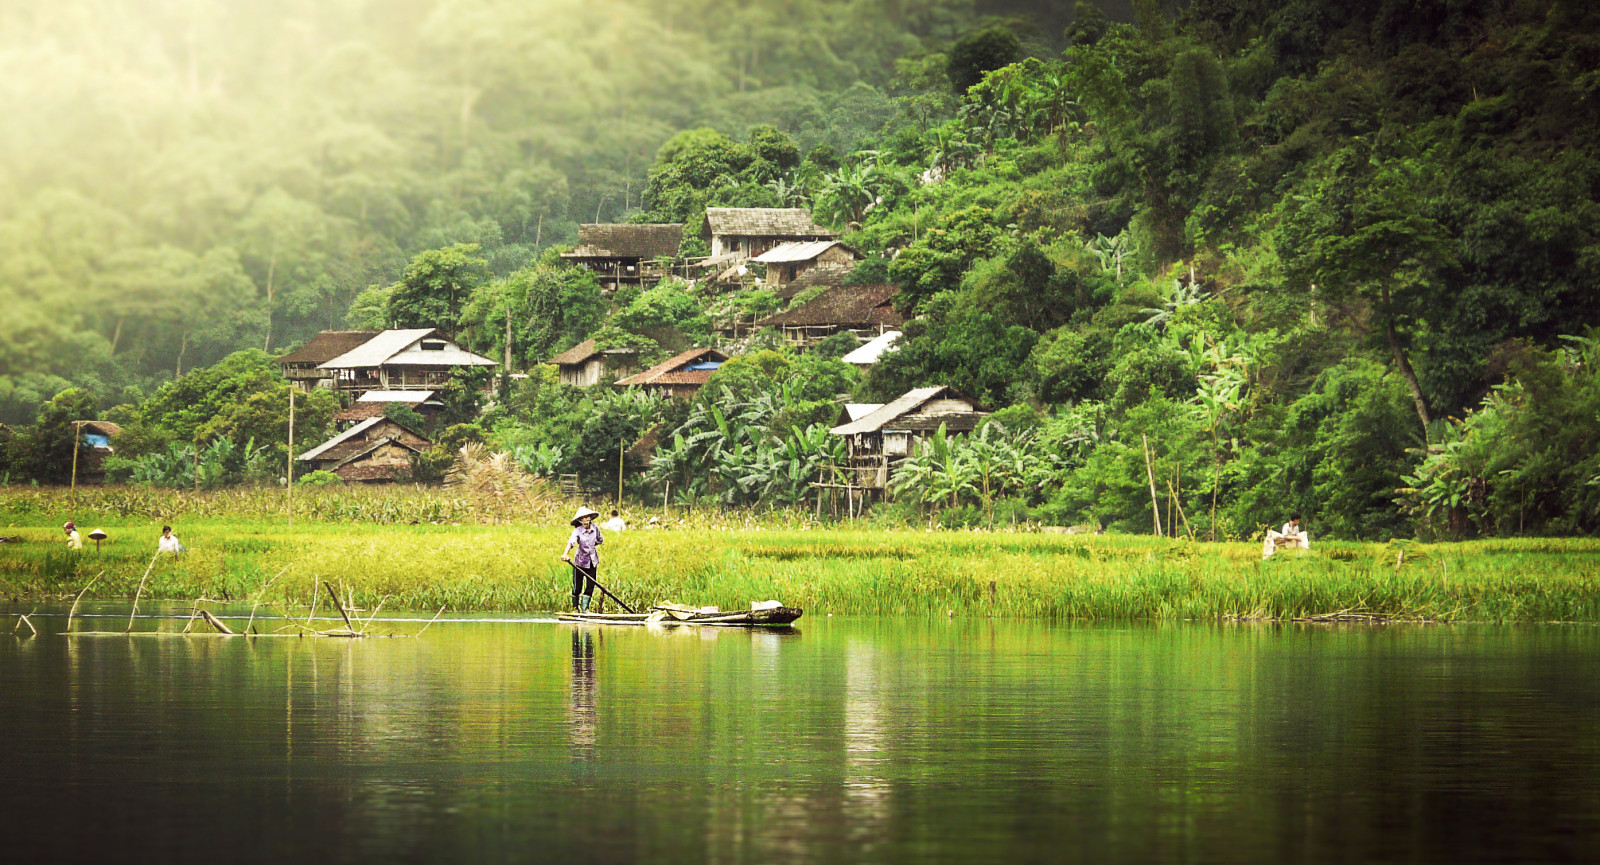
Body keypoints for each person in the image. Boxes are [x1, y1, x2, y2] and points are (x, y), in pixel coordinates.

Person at [561, 507, 604, 612]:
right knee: (577, 587)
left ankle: (585, 609)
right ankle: (575, 608)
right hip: (580, 562)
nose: (586, 520)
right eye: (583, 518)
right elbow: (571, 543)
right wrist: (565, 554)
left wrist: (591, 546)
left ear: (590, 518)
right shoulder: (577, 531)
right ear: (580, 520)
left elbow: (600, 540)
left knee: (590, 586)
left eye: (587, 517)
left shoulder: (595, 528)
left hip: (592, 561)